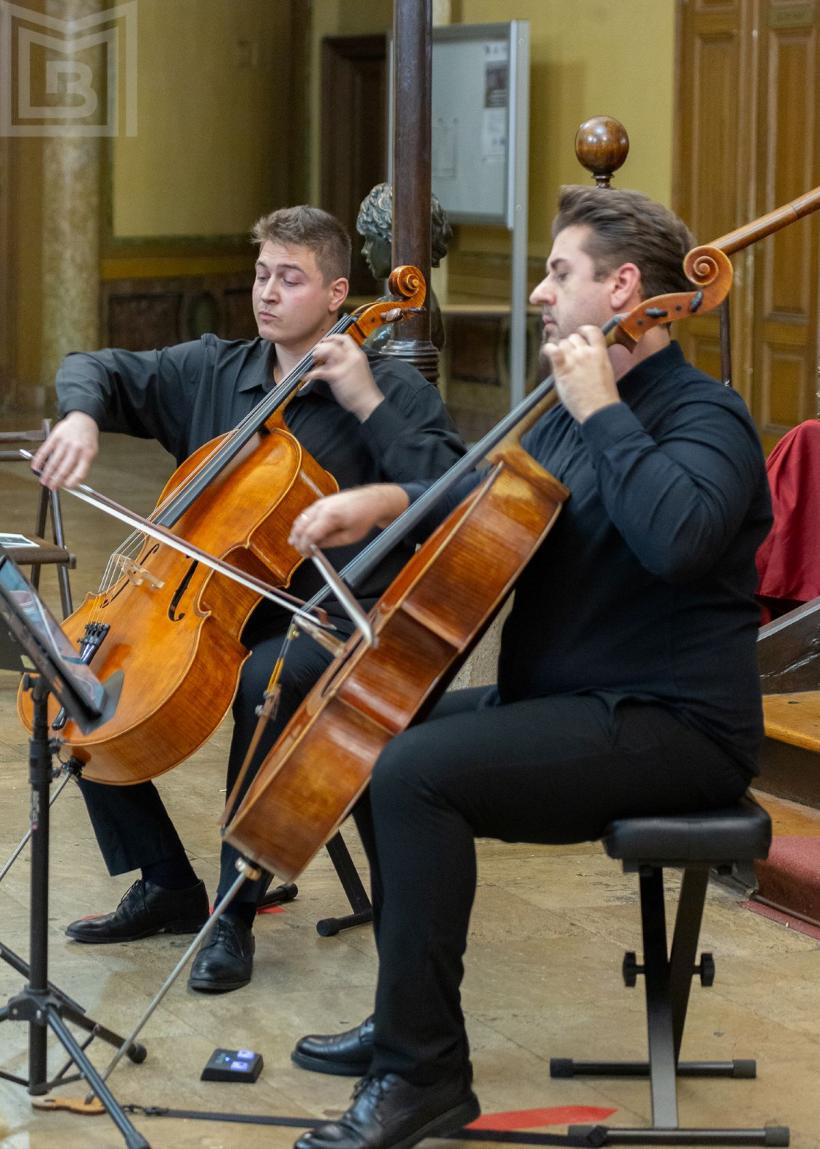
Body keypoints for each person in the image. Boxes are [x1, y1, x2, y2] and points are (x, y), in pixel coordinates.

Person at [281, 185, 773, 1149]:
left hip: (674, 725)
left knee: (416, 772)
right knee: (382, 735)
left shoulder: (709, 417)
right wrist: (386, 501)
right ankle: (409, 1014)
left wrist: (603, 410)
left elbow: (678, 539)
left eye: (558, 272)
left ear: (622, 288)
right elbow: (484, 501)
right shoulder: (561, 416)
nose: (541, 293)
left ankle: (421, 1076)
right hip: (571, 701)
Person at [32, 205, 464, 994]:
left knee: (270, 678)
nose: (267, 292)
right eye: (262, 274)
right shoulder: (214, 368)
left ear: (337, 293)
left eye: (290, 279)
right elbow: (94, 365)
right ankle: (167, 881)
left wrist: (366, 400)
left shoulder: (390, 387)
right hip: (205, 600)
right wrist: (83, 418)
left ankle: (233, 910)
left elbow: (450, 487)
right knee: (72, 677)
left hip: (332, 615)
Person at [356, 182, 452, 351]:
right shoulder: (392, 306)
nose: (364, 250)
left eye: (370, 240)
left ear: (394, 241)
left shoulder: (408, 322)